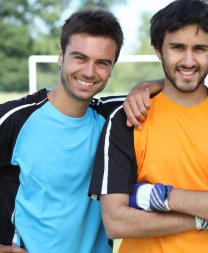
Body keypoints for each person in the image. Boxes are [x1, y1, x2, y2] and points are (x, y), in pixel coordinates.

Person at [88, 1, 208, 252]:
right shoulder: (127, 118)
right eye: (177, 47)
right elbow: (116, 221)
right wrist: (206, 214)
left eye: (200, 49)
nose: (188, 60)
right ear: (158, 49)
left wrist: (161, 197)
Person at [0, 8, 124, 253]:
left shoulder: (112, 119)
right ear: (60, 56)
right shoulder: (14, 119)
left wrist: (147, 85)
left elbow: (169, 94)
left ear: (112, 68)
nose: (89, 71)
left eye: (102, 62)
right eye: (79, 57)